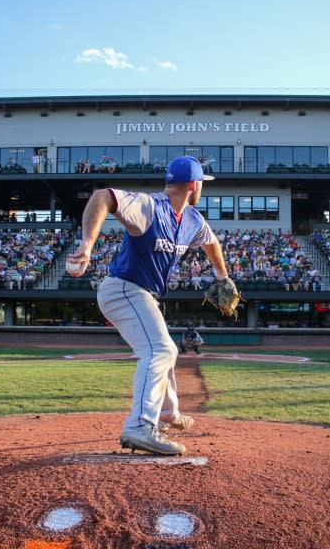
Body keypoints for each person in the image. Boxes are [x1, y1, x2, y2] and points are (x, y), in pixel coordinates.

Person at [65, 156, 227, 456]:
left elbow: (211, 242)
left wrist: (222, 275)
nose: (202, 187)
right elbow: (104, 196)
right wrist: (87, 244)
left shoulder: (192, 219)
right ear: (194, 185)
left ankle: (167, 412)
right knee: (160, 350)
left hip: (142, 294)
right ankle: (139, 426)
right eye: (202, 182)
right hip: (122, 289)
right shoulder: (150, 207)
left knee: (165, 348)